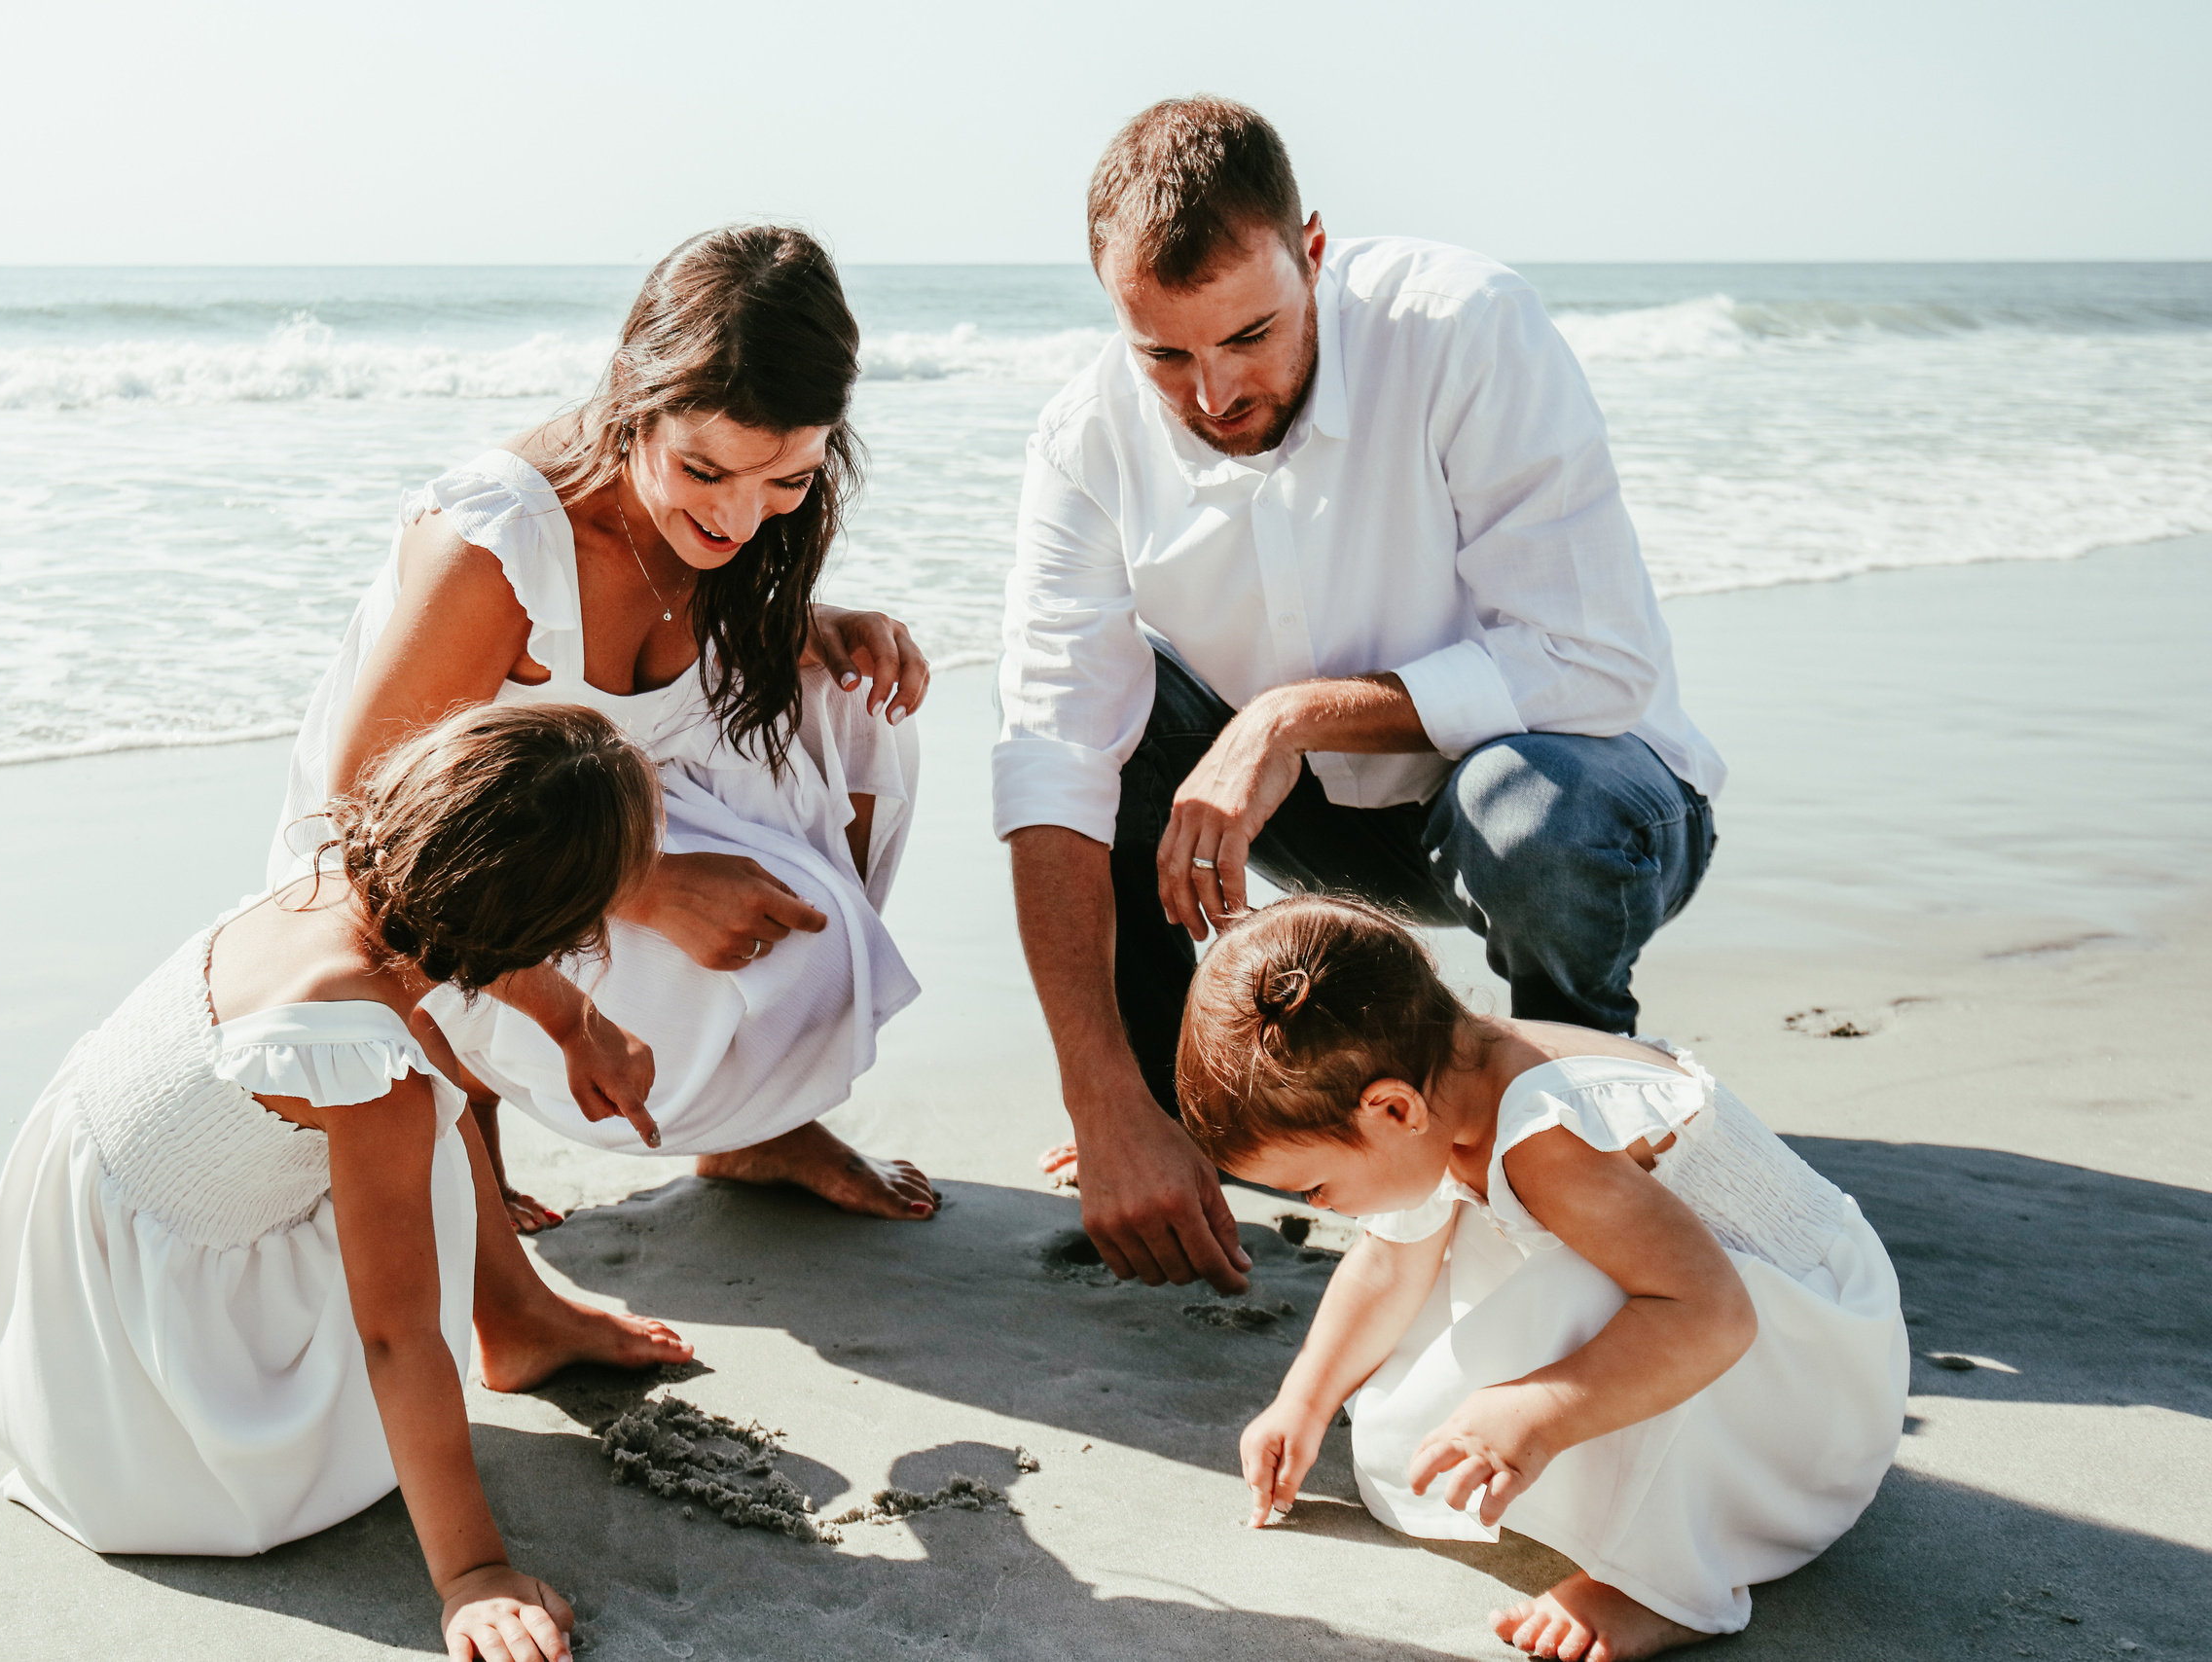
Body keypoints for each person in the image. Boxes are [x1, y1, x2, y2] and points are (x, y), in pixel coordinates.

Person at [995, 95, 1725, 1294]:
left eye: (1250, 334)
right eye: (1165, 355)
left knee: (1528, 811)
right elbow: (1047, 759)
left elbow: (1594, 664)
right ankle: (1165, 1124)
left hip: (1587, 800)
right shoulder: (1084, 438)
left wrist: (1282, 718)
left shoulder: (1463, 326)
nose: (1214, 393)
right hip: (1330, 829)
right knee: (1093, 741)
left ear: (1314, 251)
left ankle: (1573, 1103)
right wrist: (1099, 1091)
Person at [0, 705, 697, 1662]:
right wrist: (472, 1575)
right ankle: (509, 1332)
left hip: (81, 1255)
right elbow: (394, 1335)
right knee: (428, 1118)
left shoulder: (326, 886)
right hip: (151, 1407)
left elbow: (457, 925)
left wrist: (572, 1022)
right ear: (549, 926)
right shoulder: (372, 1072)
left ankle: (521, 1320)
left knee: (427, 1076)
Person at [272, 226, 938, 1231]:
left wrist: (812, 625)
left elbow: (677, 652)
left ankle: (758, 1128)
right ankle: (470, 1135)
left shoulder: (744, 513)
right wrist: (641, 887)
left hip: (609, 800)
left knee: (854, 706)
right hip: (449, 877)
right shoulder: (499, 544)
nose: (742, 520)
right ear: (635, 398)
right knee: (424, 879)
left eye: (787, 481)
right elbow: (364, 830)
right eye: (705, 471)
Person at [1179, 895, 1906, 1660]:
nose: (1319, 1206)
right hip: (1707, 1304)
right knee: (1429, 1370)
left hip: (1806, 1378)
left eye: (1313, 1187)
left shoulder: (1547, 1136)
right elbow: (1390, 1262)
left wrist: (1533, 1413)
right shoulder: (1447, 1080)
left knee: (1577, 1296)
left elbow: (1714, 1313)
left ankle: (1665, 1586)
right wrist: (1304, 1401)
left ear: (1392, 1110)